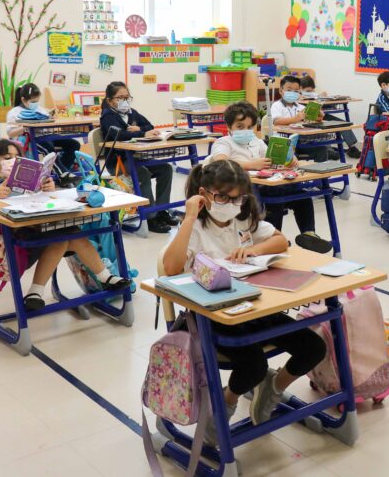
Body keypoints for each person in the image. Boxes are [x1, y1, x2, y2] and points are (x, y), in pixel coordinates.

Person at [162, 160, 326, 436]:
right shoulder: (195, 228)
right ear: (203, 194)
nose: (231, 204)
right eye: (223, 197)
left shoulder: (242, 219)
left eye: (237, 198)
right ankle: (226, 403)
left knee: (314, 347)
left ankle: (273, 388)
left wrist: (254, 250)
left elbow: (280, 241)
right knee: (254, 366)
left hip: (254, 309)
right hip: (212, 319)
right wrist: (189, 217)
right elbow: (170, 267)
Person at [0, 139, 131, 311]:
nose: (13, 162)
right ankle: (103, 277)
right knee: (65, 236)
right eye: (8, 158)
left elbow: (44, 205)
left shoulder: (30, 185)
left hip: (42, 234)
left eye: (17, 158)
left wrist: (48, 191)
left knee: (71, 233)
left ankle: (103, 278)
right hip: (16, 246)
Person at [206, 101, 332, 253]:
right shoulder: (223, 143)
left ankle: (308, 234)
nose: (245, 131)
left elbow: (272, 158)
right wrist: (251, 164)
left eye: (249, 127)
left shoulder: (257, 142)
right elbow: (220, 162)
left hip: (267, 183)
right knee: (274, 200)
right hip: (246, 190)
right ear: (228, 127)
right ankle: (271, 239)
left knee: (302, 196)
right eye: (240, 127)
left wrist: (289, 159)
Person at [98, 81, 176, 233]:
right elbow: (119, 134)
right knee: (142, 173)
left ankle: (162, 210)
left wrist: (139, 128)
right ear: (110, 100)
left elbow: (150, 126)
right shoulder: (107, 116)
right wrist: (141, 133)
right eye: (120, 98)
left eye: (127, 97)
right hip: (118, 162)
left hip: (137, 158)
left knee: (166, 168)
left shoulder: (131, 112)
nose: (124, 101)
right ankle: (150, 217)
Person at [6, 83, 80, 168]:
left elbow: (47, 121)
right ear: (23, 100)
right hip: (31, 140)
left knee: (74, 144)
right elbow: (10, 133)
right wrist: (25, 128)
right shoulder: (14, 112)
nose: (35, 104)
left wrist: (52, 118)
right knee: (49, 147)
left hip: (46, 136)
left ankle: (62, 169)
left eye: (37, 101)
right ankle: (61, 172)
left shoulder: (39, 109)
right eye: (33, 102)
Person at [298, 75, 361, 158]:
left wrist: (323, 98)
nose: (310, 92)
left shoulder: (315, 96)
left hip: (322, 116)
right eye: (307, 91)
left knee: (343, 123)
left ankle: (352, 147)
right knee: (323, 128)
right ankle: (329, 150)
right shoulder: (298, 97)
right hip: (309, 119)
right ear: (300, 89)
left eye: (312, 90)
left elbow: (326, 107)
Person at [269, 75, 328, 162]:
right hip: (284, 142)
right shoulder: (276, 105)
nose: (292, 93)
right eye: (289, 90)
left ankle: (321, 171)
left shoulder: (300, 107)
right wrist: (295, 119)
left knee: (322, 149)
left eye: (296, 91)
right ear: (281, 90)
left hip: (300, 141)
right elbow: (276, 121)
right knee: (291, 155)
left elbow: (312, 119)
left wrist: (319, 117)